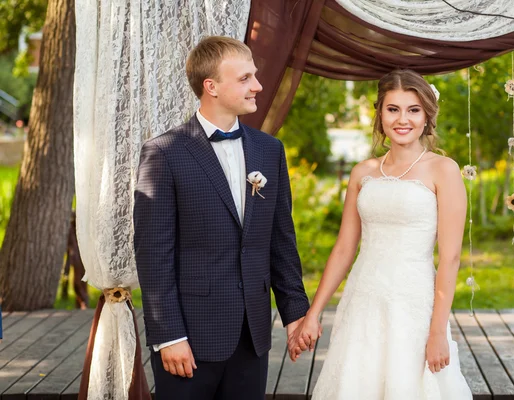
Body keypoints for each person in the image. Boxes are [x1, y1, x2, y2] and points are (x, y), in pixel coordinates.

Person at [134, 36, 313, 400]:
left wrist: (296, 313)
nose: (258, 86)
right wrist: (169, 335)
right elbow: (153, 255)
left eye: (255, 76)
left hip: (253, 337)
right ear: (211, 87)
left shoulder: (270, 150)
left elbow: (281, 241)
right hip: (188, 341)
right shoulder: (164, 153)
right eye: (245, 78)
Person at [288, 69, 473, 399]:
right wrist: (313, 315)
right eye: (393, 109)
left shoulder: (443, 170)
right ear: (380, 114)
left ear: (427, 115)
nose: (403, 119)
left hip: (413, 306)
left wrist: (437, 332)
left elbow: (451, 258)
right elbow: (345, 247)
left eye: (413, 110)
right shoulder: (363, 172)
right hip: (363, 302)